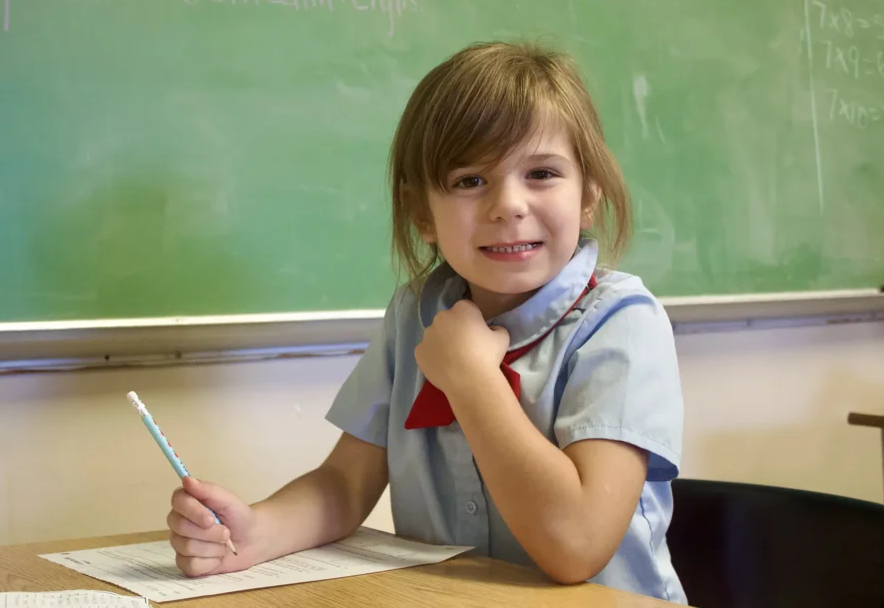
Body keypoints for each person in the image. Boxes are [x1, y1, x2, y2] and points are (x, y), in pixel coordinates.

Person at [166, 41, 686, 604]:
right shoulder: (414, 313)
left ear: (588, 195)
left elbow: (577, 545)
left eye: (541, 173)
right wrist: (254, 531)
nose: (508, 204)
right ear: (421, 213)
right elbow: (345, 482)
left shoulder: (620, 322)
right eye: (470, 181)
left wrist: (472, 380)